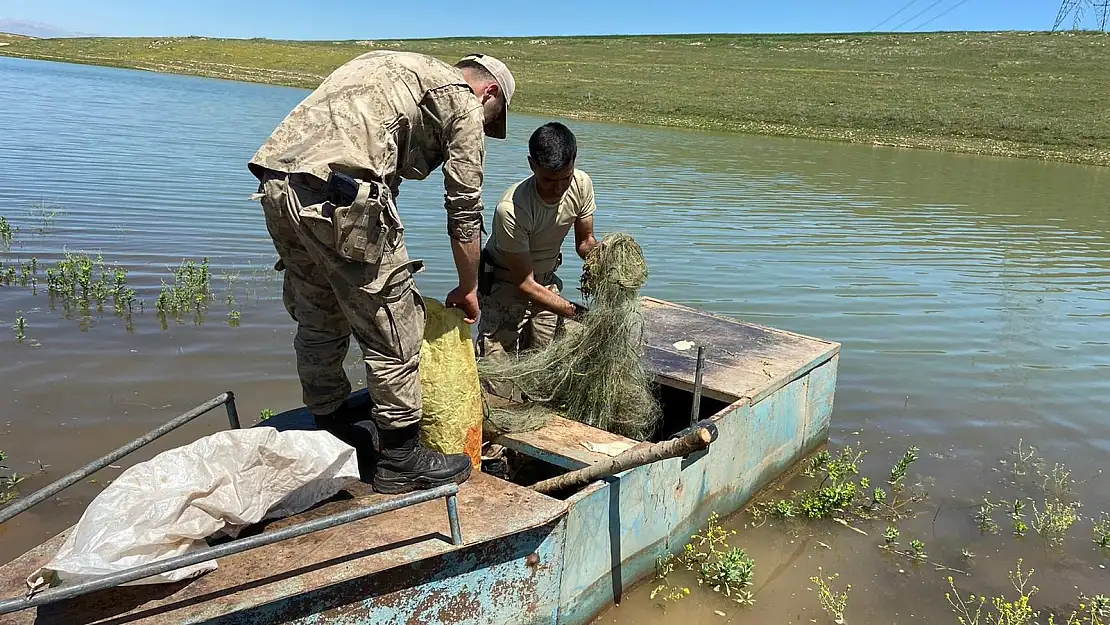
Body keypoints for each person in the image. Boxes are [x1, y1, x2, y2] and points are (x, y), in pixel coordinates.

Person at [247, 50, 516, 495]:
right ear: (489, 93)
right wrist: (469, 287)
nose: (485, 128)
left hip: (277, 183)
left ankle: (330, 424)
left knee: (319, 314)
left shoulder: (388, 65)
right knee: (395, 326)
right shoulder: (465, 101)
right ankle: (400, 457)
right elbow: (465, 209)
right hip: (338, 194)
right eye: (492, 121)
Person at [476, 122, 598, 399]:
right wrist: (578, 314)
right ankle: (494, 437)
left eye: (563, 179)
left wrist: (610, 259)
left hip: (546, 282)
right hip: (505, 288)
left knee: (543, 372)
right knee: (497, 379)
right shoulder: (511, 210)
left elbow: (585, 243)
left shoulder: (581, 184)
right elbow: (524, 284)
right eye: (548, 180)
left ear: (573, 165)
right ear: (532, 165)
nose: (557, 189)